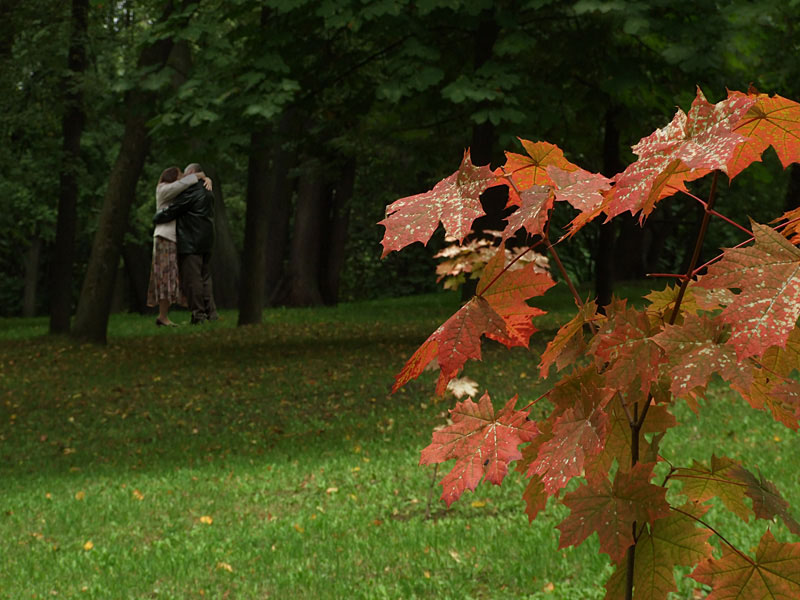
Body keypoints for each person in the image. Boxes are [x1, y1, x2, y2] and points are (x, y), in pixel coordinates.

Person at [153, 163, 218, 325]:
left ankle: (198, 315)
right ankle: (211, 313)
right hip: (206, 240)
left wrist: (157, 217)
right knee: (205, 278)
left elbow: (174, 210)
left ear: (192, 173)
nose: (183, 178)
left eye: (185, 174)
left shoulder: (192, 191)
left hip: (192, 241)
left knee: (193, 279)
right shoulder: (208, 190)